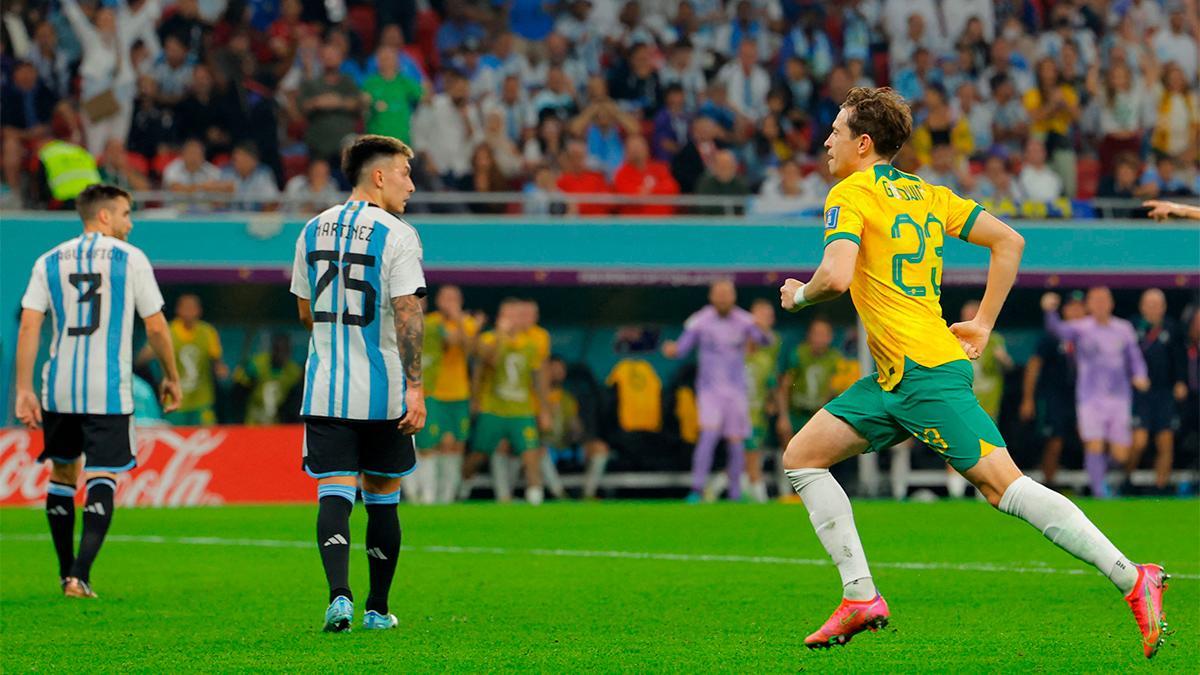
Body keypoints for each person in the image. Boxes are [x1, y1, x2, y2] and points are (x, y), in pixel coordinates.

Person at [778, 87, 1168, 656]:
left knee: (1004, 487)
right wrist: (981, 323)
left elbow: (835, 278)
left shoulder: (850, 192)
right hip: (898, 376)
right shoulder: (928, 193)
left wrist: (798, 298)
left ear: (863, 144)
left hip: (922, 373)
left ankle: (1134, 578)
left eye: (835, 131)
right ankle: (860, 596)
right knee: (802, 456)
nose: (826, 141)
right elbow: (1009, 241)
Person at [14, 184, 182, 599]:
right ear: (104, 216)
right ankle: (80, 576)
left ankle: (63, 570)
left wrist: (23, 388)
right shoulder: (131, 259)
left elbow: (30, 324)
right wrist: (171, 375)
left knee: (63, 473)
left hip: (59, 389)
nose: (130, 222)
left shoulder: (49, 260)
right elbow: (157, 326)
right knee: (102, 474)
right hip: (107, 388)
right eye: (126, 213)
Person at [290, 135, 427, 632]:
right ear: (379, 176)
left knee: (335, 494)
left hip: (326, 387)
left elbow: (306, 311)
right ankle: (375, 608)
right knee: (384, 494)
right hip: (385, 390)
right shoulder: (398, 234)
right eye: (406, 174)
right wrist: (415, 386)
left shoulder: (310, 229)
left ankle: (339, 597)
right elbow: (408, 311)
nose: (411, 186)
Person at [663, 280, 769, 502]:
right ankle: (697, 489)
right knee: (709, 436)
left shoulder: (744, 320)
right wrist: (672, 350)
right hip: (710, 391)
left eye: (727, 294)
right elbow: (682, 348)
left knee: (736, 442)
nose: (722, 298)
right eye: (718, 294)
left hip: (736, 391)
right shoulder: (700, 320)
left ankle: (735, 493)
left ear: (734, 297)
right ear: (711, 297)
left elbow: (764, 341)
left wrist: (761, 326)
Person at [1043, 288, 1150, 498]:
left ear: (1111, 303)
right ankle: (1100, 491)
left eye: (1104, 300)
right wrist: (1050, 311)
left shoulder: (1124, 328)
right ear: (1089, 305)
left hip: (1120, 397)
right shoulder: (1081, 328)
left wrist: (1140, 374)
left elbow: (1134, 357)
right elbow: (1056, 330)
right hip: (1090, 398)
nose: (1100, 305)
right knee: (1094, 443)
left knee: (1121, 453)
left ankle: (1102, 477)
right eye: (1096, 300)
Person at [464, 299, 552, 504]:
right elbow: (490, 361)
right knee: (479, 455)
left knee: (531, 453)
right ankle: (462, 486)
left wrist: (545, 409)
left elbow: (539, 377)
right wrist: (502, 337)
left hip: (522, 410)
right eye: (508, 315)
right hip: (492, 409)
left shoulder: (531, 343)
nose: (513, 320)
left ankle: (535, 498)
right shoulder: (488, 339)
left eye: (516, 316)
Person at [414, 286, 480, 504]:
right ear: (438, 301)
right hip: (435, 393)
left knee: (456, 445)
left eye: (454, 298)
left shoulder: (467, 323)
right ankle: (429, 496)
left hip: (459, 393)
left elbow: (469, 349)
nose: (450, 302)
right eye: (446, 298)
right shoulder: (432, 322)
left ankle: (447, 497)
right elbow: (450, 341)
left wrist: (460, 319)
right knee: (432, 443)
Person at [948, 299, 1013, 497]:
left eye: (973, 313)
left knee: (987, 446)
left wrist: (1003, 359)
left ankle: (984, 492)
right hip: (959, 401)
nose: (970, 318)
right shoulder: (952, 338)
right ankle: (955, 493)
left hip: (987, 402)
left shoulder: (993, 340)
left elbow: (1008, 366)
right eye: (966, 313)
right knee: (954, 442)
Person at [1020, 291, 1084, 489]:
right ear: (1064, 310)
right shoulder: (1051, 335)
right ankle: (1050, 484)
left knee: (1080, 439)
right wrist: (1028, 398)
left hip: (1081, 397)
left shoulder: (1089, 334)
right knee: (1053, 439)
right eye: (1071, 306)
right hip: (1052, 396)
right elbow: (1034, 365)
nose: (1076, 311)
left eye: (1079, 307)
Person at [1128, 289, 1188, 493]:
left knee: (1165, 441)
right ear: (1142, 306)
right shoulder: (1132, 327)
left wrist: (1181, 381)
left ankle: (1160, 486)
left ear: (1164, 307)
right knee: (1139, 442)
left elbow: (1180, 359)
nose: (1153, 308)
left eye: (1157, 304)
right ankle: (1127, 481)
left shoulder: (1172, 328)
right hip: (1139, 395)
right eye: (1149, 304)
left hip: (1164, 394)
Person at [153, 294, 226, 426]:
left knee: (207, 437)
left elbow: (216, 361)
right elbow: (150, 352)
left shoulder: (207, 332)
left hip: (202, 400)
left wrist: (220, 369)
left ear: (199, 310)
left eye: (193, 308)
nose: (189, 311)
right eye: (185, 307)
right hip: (175, 400)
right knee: (175, 439)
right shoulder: (167, 331)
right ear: (178, 310)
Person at [742, 298, 781, 503]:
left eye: (768, 316)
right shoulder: (736, 347)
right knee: (749, 453)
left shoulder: (770, 348)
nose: (764, 321)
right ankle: (758, 494)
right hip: (738, 409)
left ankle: (745, 489)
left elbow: (771, 378)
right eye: (760, 316)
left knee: (752, 453)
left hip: (758, 408)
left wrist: (772, 402)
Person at [233, 333, 303, 426]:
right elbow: (239, 390)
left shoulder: (294, 372)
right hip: (254, 421)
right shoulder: (257, 364)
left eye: (285, 351)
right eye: (278, 350)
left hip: (277, 424)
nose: (281, 355)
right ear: (273, 350)